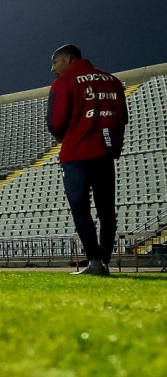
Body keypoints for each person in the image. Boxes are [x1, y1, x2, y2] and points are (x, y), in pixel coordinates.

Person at [46, 44, 128, 276]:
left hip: (76, 155)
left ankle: (94, 262)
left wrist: (71, 135)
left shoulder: (63, 84)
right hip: (104, 154)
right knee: (106, 210)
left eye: (55, 62)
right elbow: (122, 117)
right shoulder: (111, 80)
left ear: (68, 59)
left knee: (80, 208)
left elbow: (55, 123)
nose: (53, 68)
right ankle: (105, 261)